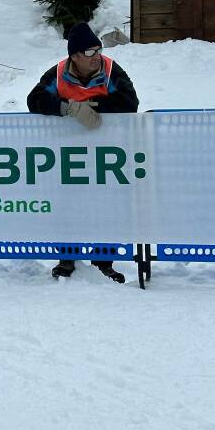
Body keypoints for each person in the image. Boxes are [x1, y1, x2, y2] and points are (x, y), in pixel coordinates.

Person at [27, 23, 139, 283]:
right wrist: (69, 108)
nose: (96, 56)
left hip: (106, 154)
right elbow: (34, 100)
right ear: (74, 56)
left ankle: (103, 262)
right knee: (69, 203)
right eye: (89, 52)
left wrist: (95, 107)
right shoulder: (57, 73)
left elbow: (130, 102)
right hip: (69, 154)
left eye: (98, 50)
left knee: (106, 205)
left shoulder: (111, 69)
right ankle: (67, 258)